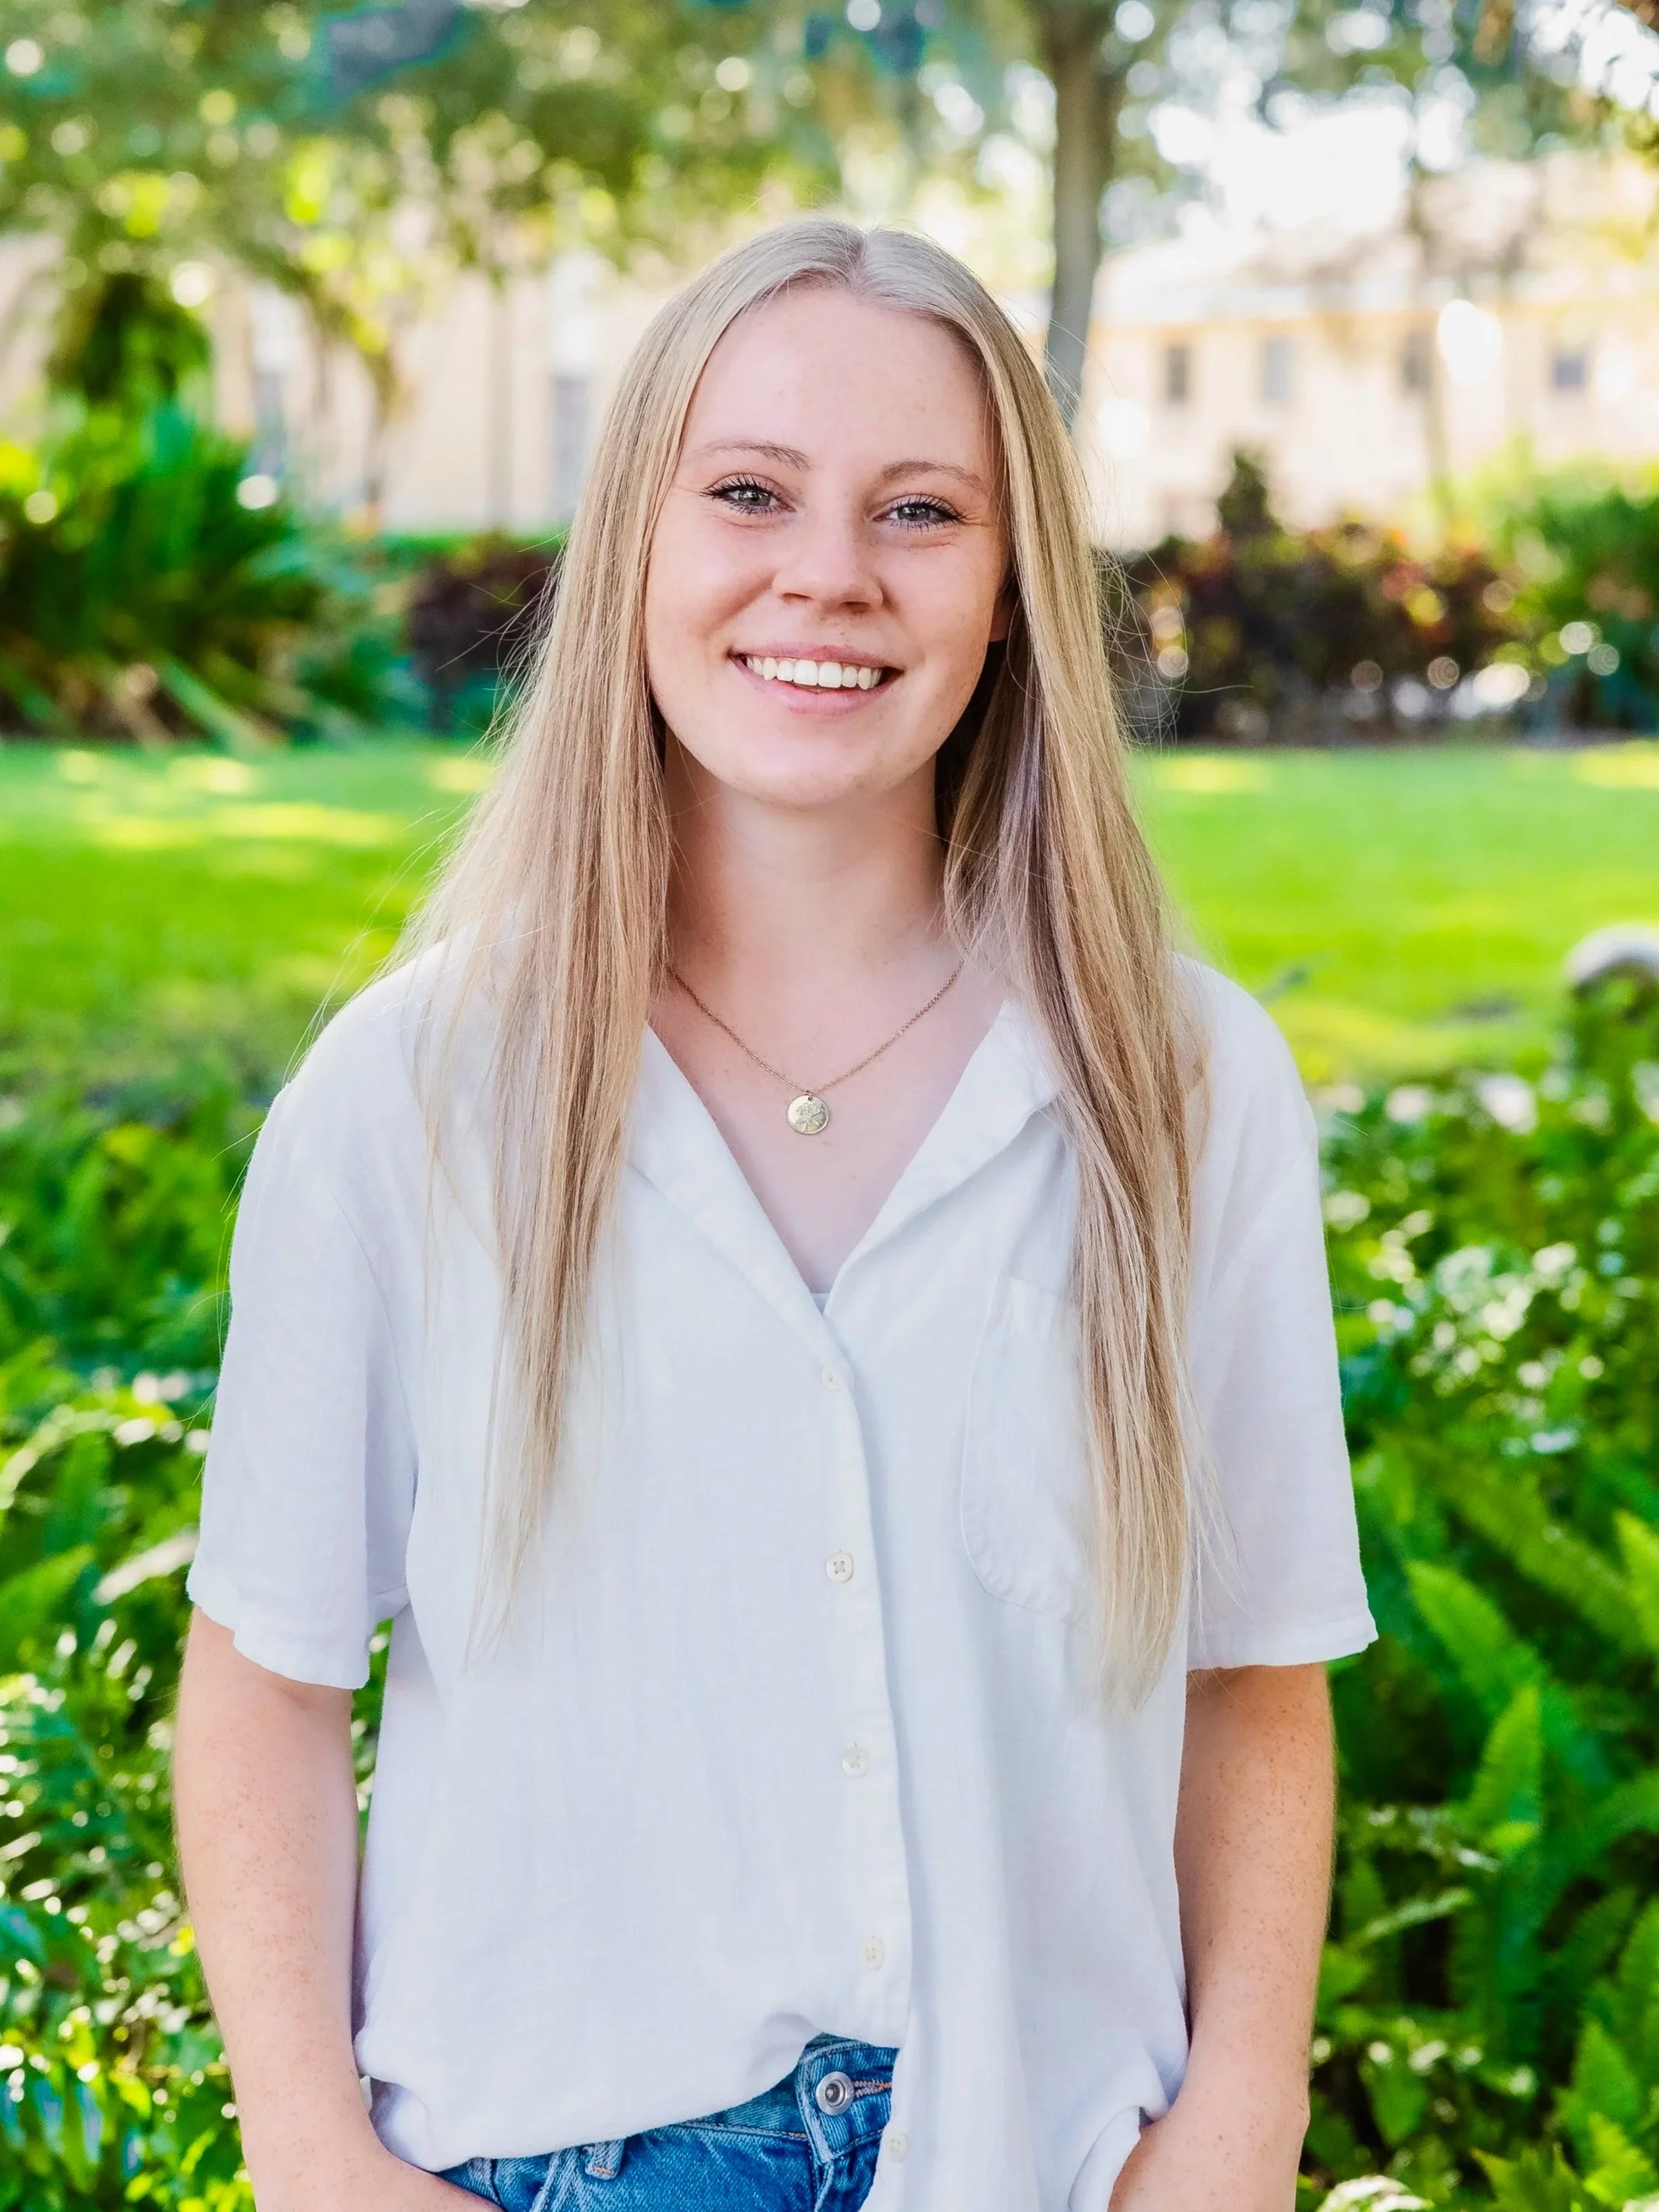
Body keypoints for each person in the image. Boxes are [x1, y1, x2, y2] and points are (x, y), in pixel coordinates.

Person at [171, 216, 1375, 2212]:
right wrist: (306, 2150)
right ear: (634, 540)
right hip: (552, 2159)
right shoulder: (412, 1098)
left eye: (922, 511)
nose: (829, 574)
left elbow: (1254, 1673)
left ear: (1011, 599)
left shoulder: (1182, 1088)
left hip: (1045, 2152)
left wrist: (1242, 2113)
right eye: (746, 492)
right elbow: (271, 1673)